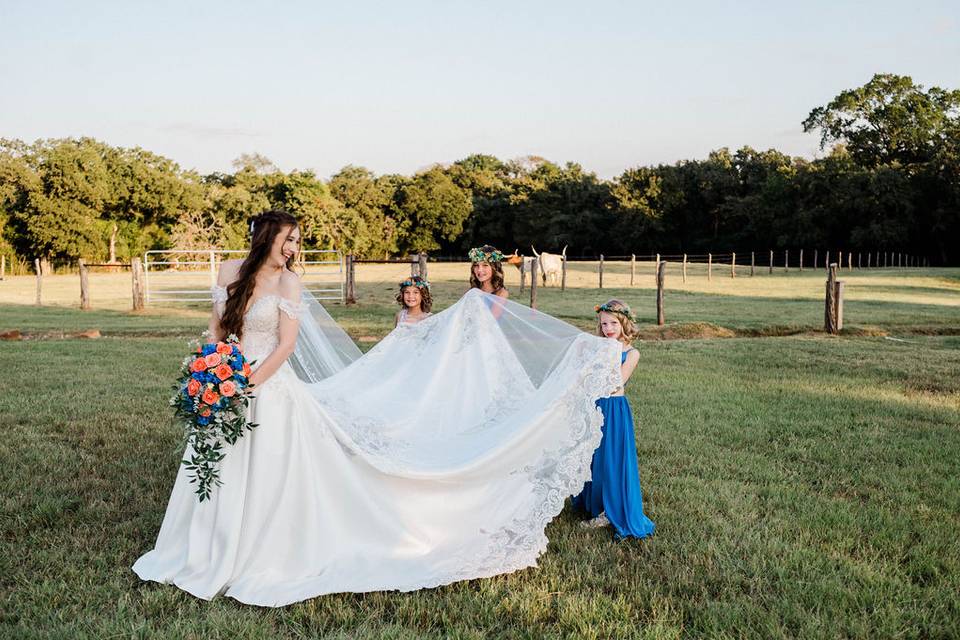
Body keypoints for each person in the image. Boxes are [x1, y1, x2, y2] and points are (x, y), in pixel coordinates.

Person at [134, 210, 623, 606]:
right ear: (266, 238)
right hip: (224, 379)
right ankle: (203, 548)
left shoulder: (289, 285)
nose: (293, 248)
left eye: (298, 241)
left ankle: (262, 548)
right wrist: (211, 371)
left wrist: (248, 384)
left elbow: (285, 346)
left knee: (272, 471)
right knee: (216, 465)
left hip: (268, 386)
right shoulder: (226, 272)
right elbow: (219, 330)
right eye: (288, 239)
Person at [573, 299, 656, 539]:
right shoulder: (598, 347)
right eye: (604, 324)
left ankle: (609, 511)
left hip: (613, 408)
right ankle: (592, 502)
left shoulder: (631, 353)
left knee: (611, 459)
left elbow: (614, 383)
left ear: (623, 324)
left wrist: (602, 358)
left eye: (613, 323)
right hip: (594, 406)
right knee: (593, 455)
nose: (608, 328)